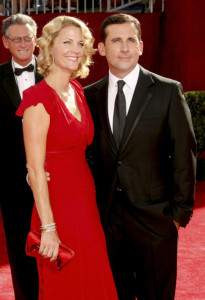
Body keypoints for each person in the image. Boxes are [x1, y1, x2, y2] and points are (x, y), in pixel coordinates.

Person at [84, 13, 197, 300]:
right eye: (116, 40)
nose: (124, 47)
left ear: (141, 47)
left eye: (131, 40)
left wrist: (177, 216)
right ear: (101, 48)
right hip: (107, 222)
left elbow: (185, 154)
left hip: (156, 221)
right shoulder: (88, 96)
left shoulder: (167, 91)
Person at [16, 15, 118, 300]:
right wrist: (48, 228)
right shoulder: (37, 99)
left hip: (85, 200)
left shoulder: (75, 90)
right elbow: (35, 169)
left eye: (80, 42)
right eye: (67, 42)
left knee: (93, 277)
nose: (75, 48)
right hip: (56, 206)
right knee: (66, 284)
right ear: (49, 47)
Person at [0, 13, 42, 300]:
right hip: (11, 182)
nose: (23, 43)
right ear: (5, 43)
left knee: (60, 246)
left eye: (28, 37)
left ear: (36, 38)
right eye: (17, 38)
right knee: (19, 250)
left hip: (56, 177)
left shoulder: (57, 73)